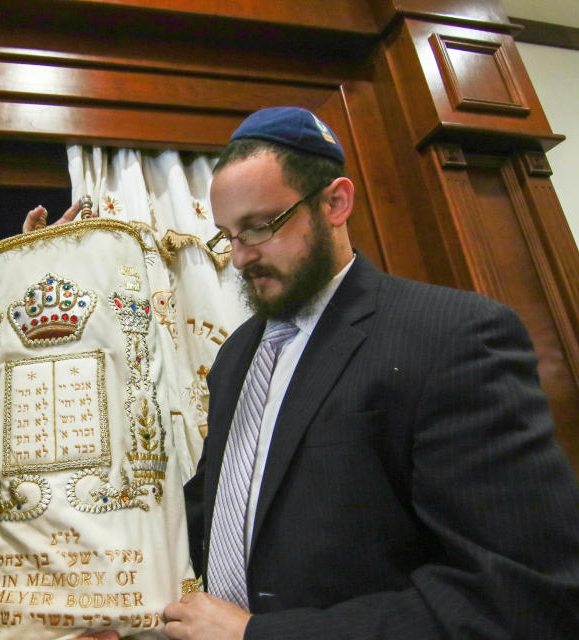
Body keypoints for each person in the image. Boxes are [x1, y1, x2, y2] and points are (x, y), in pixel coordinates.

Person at [163, 107, 579, 639]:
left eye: (261, 227)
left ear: (335, 202)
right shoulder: (237, 355)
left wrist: (258, 636)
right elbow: (211, 506)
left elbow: (518, 593)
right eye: (228, 235)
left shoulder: (453, 335)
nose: (241, 257)